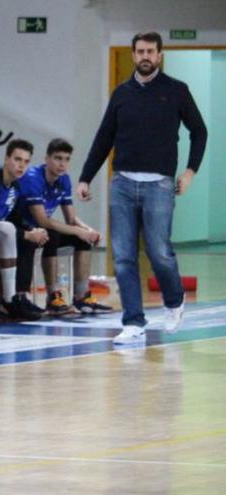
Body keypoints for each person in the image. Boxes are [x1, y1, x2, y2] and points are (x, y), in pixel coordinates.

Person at [78, 31, 207, 344]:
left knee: (159, 251)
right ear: (133, 55)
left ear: (159, 55)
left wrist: (189, 172)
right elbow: (104, 136)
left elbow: (199, 131)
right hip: (122, 183)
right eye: (140, 51)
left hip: (159, 185)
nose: (145, 56)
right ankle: (133, 321)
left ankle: (174, 301)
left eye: (151, 51)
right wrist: (85, 177)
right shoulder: (121, 93)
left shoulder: (177, 91)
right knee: (122, 256)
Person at [16, 138, 111, 314]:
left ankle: (82, 297)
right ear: (47, 159)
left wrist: (88, 231)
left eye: (66, 159)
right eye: (58, 158)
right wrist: (79, 231)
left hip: (43, 232)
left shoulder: (64, 180)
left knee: (80, 239)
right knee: (52, 234)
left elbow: (72, 218)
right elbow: (43, 221)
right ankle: (53, 297)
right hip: (23, 232)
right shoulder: (32, 178)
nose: (62, 164)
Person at [0, 139, 44, 321]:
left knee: (27, 240)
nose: (21, 165)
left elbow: (14, 218)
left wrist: (33, 230)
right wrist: (26, 233)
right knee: (10, 232)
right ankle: (8, 298)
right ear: (6, 159)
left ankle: (15, 297)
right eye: (17, 159)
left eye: (26, 161)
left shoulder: (15, 185)